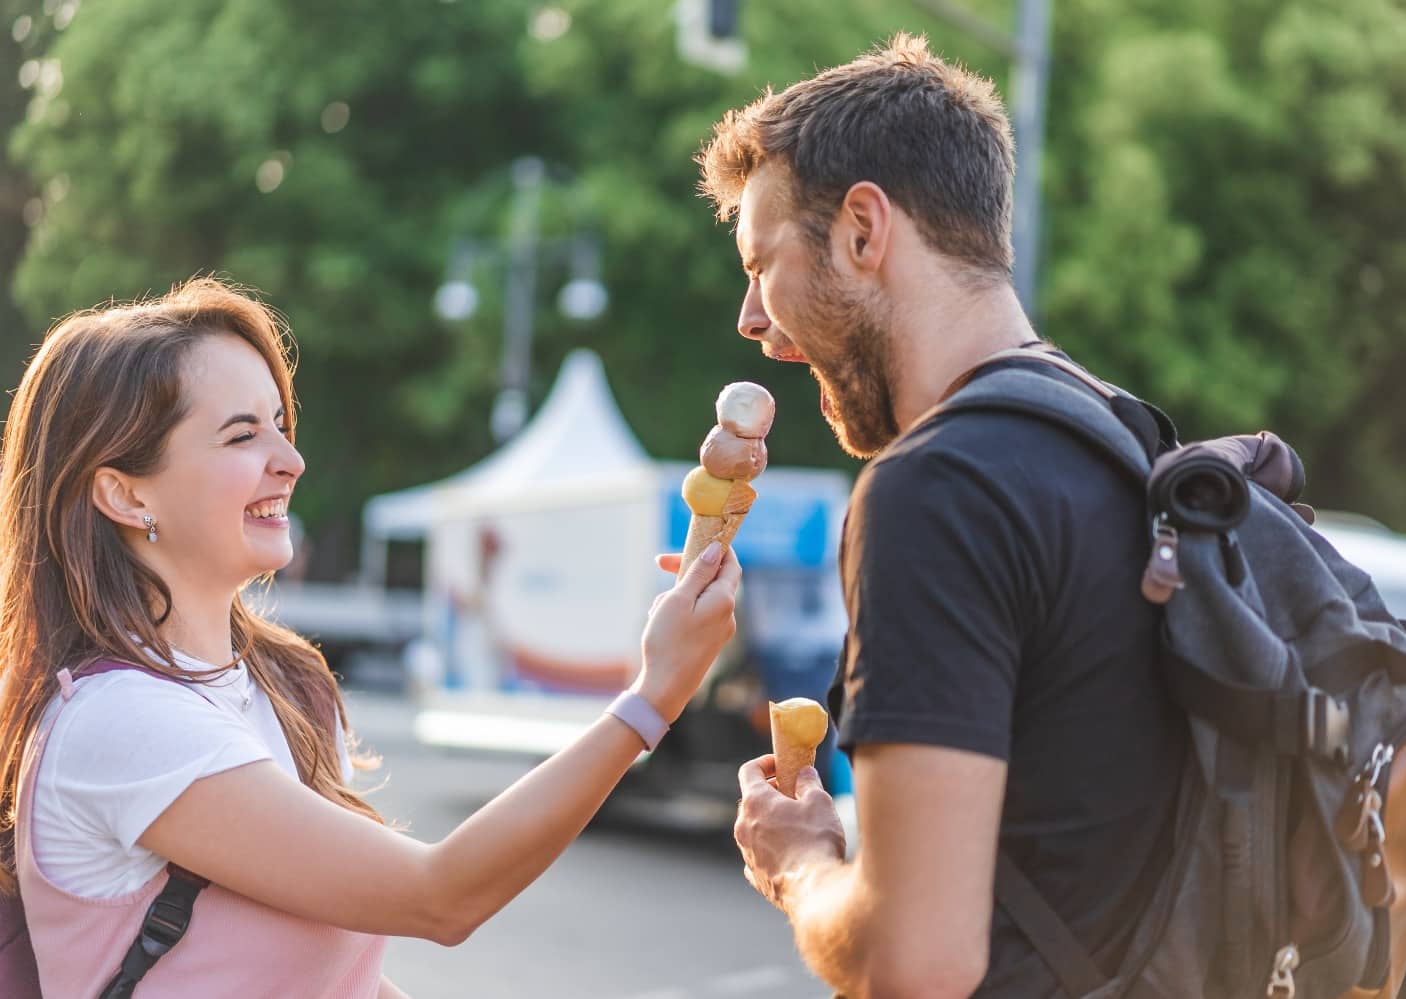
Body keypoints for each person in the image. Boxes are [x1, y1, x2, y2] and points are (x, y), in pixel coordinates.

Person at [0, 277, 740, 996]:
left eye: (281, 427)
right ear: (126, 493)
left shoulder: (287, 685)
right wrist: (654, 695)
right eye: (241, 435)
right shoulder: (120, 721)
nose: (289, 462)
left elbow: (338, 975)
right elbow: (440, 895)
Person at [700, 35, 1186, 998]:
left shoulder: (935, 488)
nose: (751, 320)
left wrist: (798, 858)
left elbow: (918, 961)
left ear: (864, 231)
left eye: (763, 266)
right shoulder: (1125, 439)